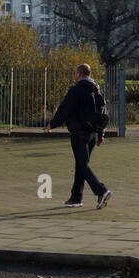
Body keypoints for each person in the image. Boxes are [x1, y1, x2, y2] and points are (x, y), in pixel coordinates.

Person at [46, 64, 112, 210]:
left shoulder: (76, 90)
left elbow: (65, 109)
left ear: (80, 73)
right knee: (81, 164)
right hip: (93, 134)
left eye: (75, 72)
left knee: (82, 165)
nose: (74, 75)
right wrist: (101, 134)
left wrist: (52, 124)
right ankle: (76, 197)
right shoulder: (97, 90)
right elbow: (102, 113)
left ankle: (101, 190)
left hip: (79, 133)